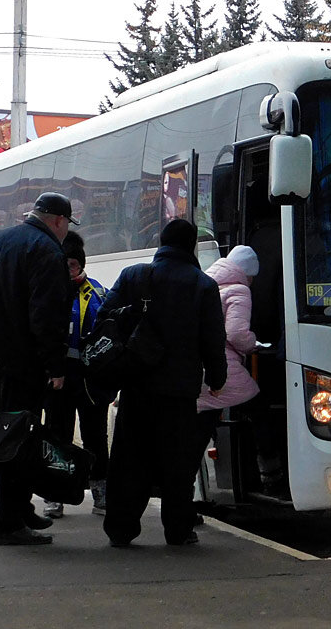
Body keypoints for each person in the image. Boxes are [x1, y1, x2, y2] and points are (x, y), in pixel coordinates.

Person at [0, 192, 77, 546]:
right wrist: (55, 365)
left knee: (15, 433)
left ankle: (19, 510)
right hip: (23, 363)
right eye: (67, 225)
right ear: (59, 221)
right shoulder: (48, 250)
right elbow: (46, 317)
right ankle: (7, 524)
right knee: (16, 439)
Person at [101, 218, 226, 548]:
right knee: (178, 463)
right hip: (179, 390)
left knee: (129, 458)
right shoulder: (202, 285)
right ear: (191, 247)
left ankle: (120, 529)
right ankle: (178, 530)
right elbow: (213, 337)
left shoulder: (134, 275)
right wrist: (216, 378)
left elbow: (105, 317)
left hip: (136, 384)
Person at [193, 245, 282, 493]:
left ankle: (183, 489)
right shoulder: (239, 290)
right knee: (259, 410)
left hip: (198, 367)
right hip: (224, 366)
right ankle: (271, 475)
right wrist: (253, 345)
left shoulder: (207, 283)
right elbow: (236, 333)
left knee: (202, 425)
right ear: (247, 272)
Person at [40, 230, 109, 519]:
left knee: (96, 437)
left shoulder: (98, 293)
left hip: (90, 381)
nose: (70, 270)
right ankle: (55, 496)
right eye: (65, 265)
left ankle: (101, 492)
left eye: (73, 265)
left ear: (81, 264)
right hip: (58, 380)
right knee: (57, 437)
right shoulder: (48, 291)